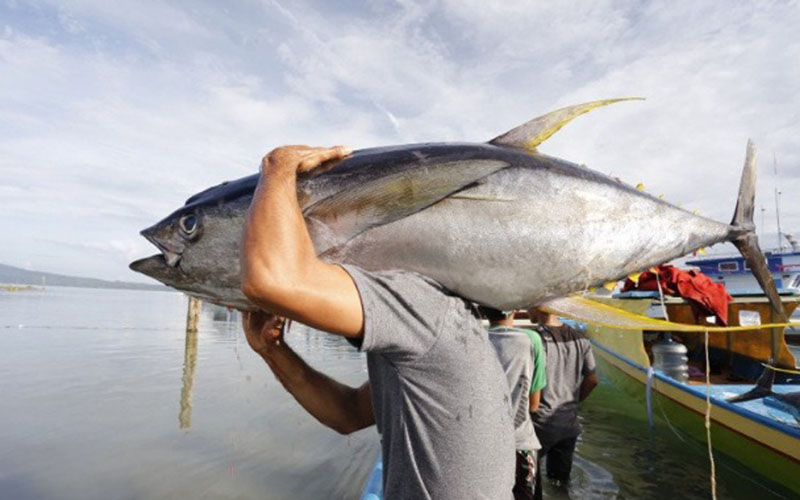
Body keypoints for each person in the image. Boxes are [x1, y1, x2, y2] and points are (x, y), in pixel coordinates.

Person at [239, 145, 515, 499]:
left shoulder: (426, 306)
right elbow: (348, 413)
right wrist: (273, 351)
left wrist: (276, 168)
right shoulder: (446, 326)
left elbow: (272, 280)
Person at [528, 308, 598, 499]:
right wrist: (574, 401)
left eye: (529, 305)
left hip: (540, 424)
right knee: (561, 485)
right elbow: (592, 379)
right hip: (569, 425)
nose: (526, 309)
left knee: (529, 485)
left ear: (538, 308)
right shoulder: (579, 337)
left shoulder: (534, 339)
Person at [481, 308, 547, 500]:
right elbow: (534, 405)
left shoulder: (476, 339)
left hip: (484, 444)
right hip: (520, 443)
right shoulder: (531, 340)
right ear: (516, 309)